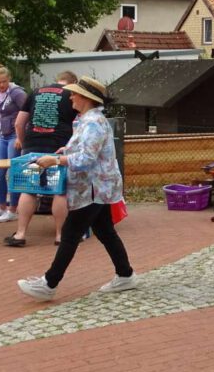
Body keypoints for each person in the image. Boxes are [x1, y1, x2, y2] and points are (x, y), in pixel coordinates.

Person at [17, 76, 137, 301]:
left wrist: (55, 160)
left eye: (74, 93)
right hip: (97, 187)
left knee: (71, 234)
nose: (70, 96)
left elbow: (87, 159)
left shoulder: (92, 122)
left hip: (93, 187)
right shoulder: (89, 120)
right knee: (105, 232)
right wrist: (66, 150)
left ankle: (49, 283)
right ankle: (125, 274)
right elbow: (86, 151)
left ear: (86, 98)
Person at [4, 71, 79, 247]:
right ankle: (61, 236)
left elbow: (19, 123)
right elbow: (77, 125)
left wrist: (24, 144)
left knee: (29, 188)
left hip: (32, 145)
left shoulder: (36, 92)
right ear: (73, 82)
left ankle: (20, 234)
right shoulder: (72, 95)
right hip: (59, 145)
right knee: (60, 190)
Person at [0, 64, 27, 223]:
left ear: (9, 79)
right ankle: (1, 207)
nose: (2, 85)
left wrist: (21, 137)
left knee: (13, 172)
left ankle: (13, 209)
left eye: (4, 81)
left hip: (15, 135)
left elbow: (28, 112)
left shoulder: (17, 93)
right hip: (2, 135)